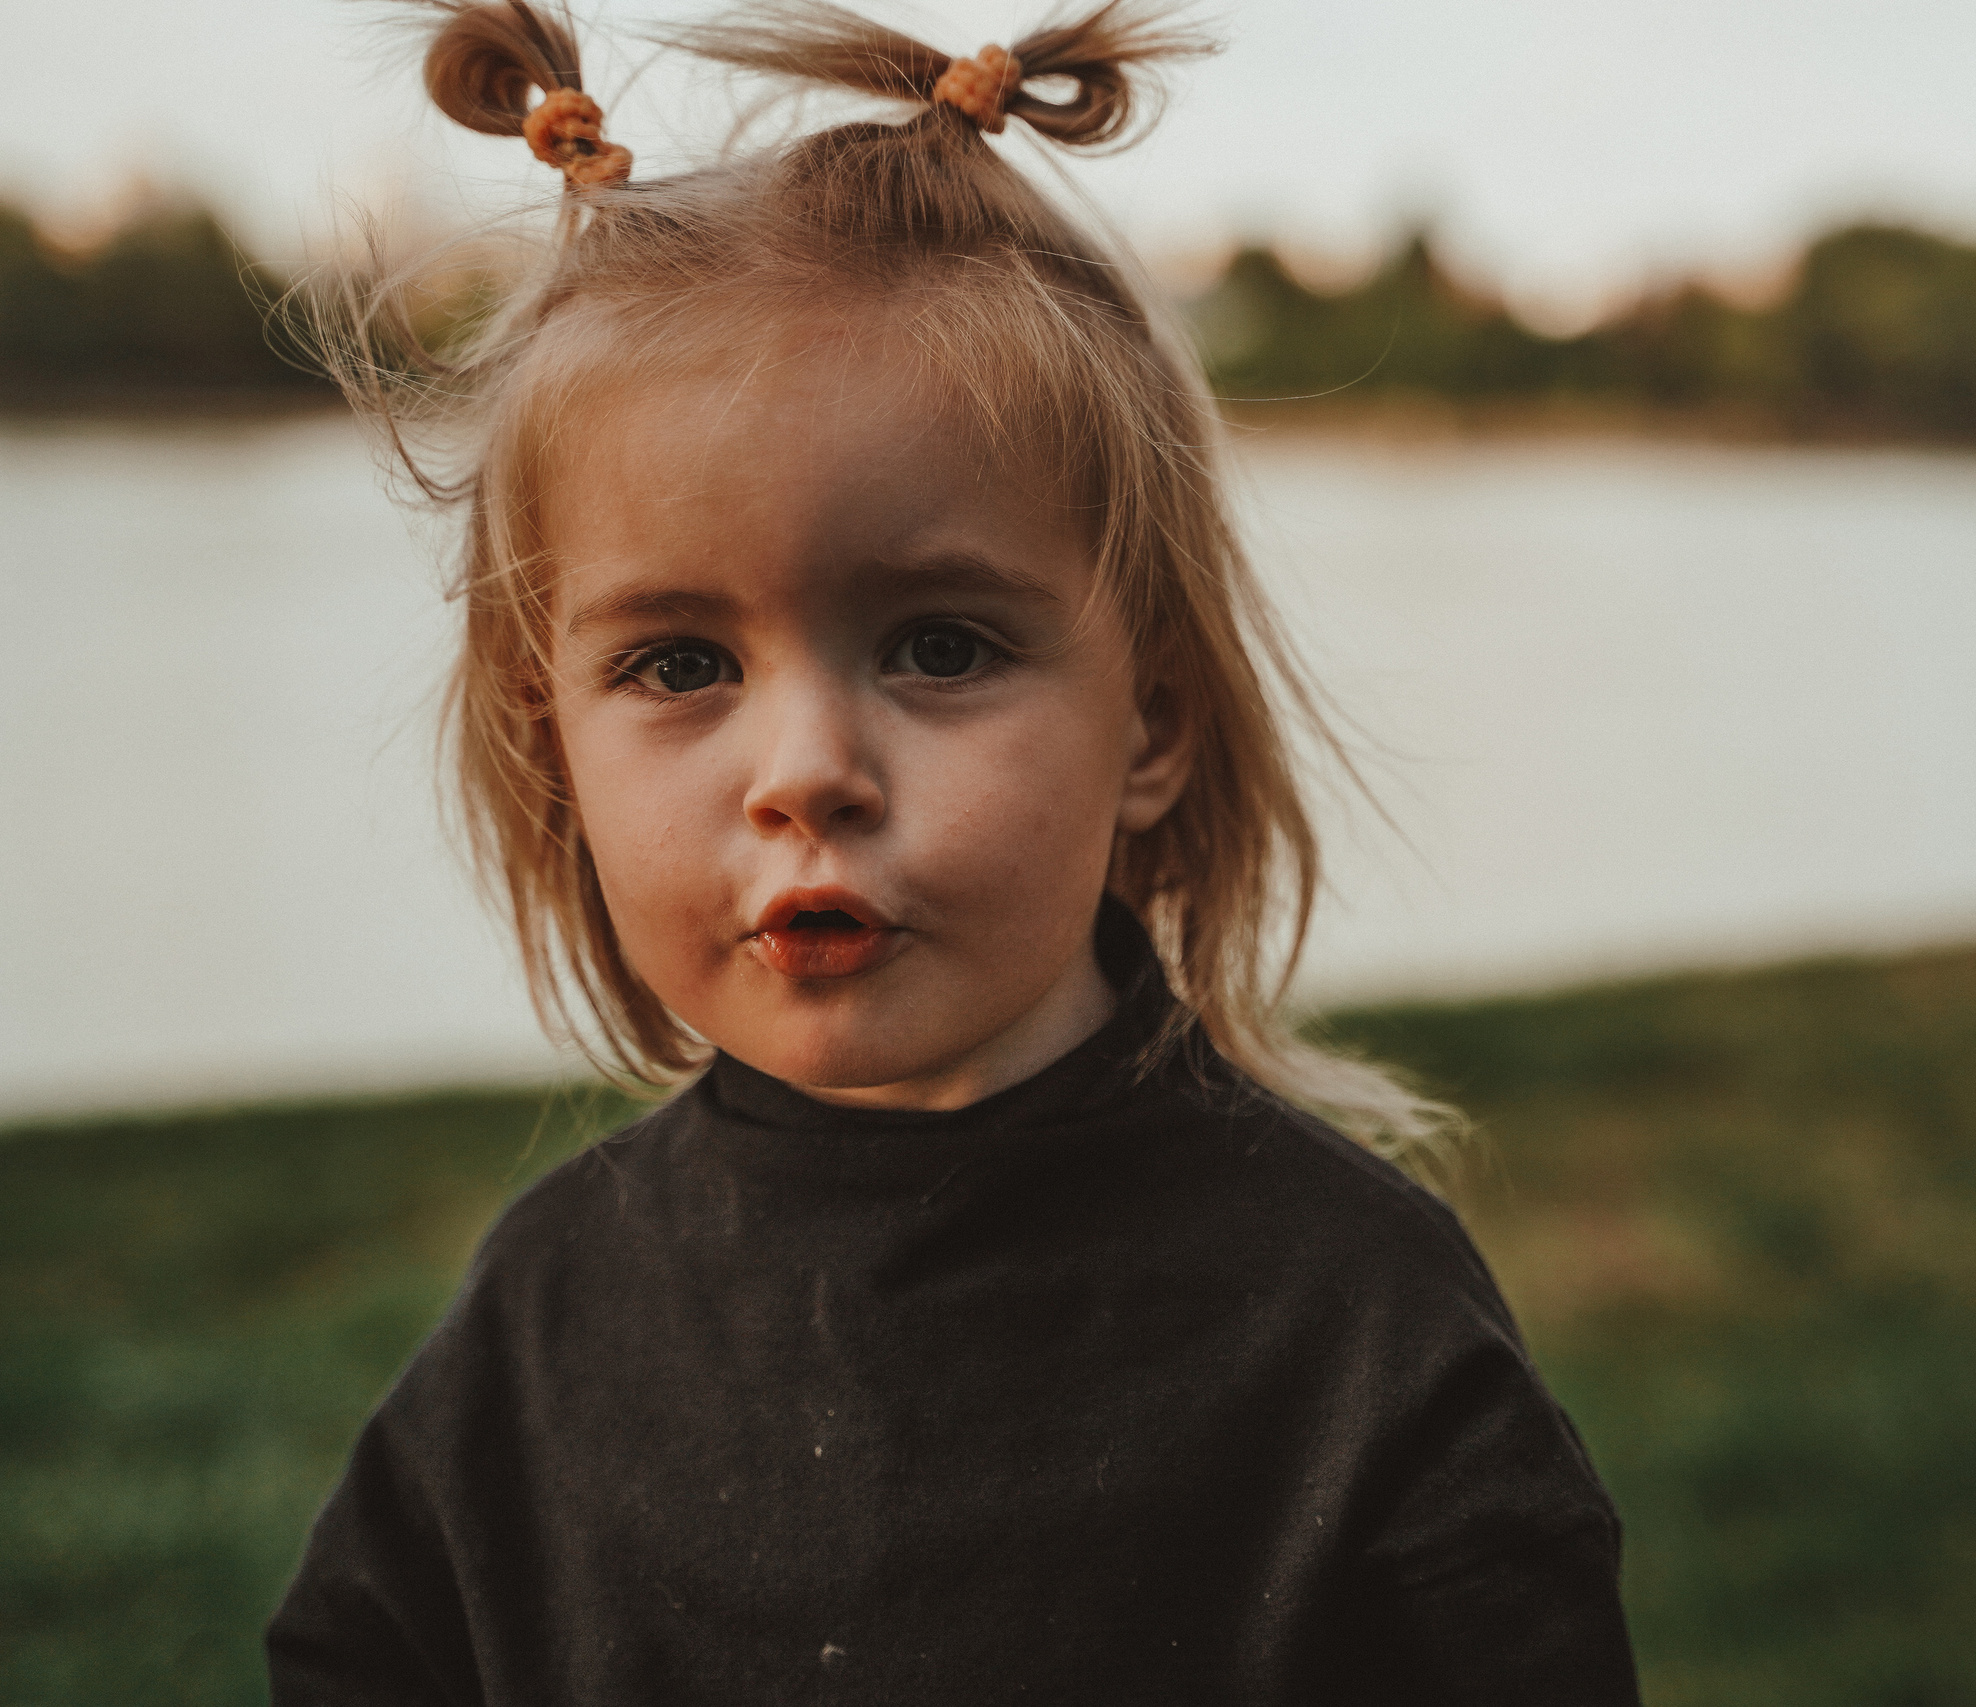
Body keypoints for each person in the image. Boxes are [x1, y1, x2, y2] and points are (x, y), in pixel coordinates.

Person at [265, 3, 1640, 1701]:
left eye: (937, 647)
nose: (809, 775)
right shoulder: (537, 1332)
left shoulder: (1350, 1324)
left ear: (1150, 725)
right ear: (553, 751)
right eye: (681, 666)